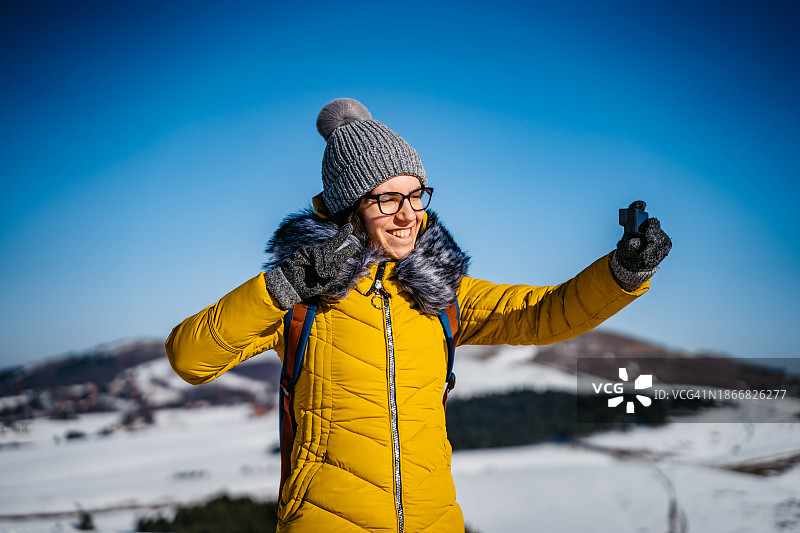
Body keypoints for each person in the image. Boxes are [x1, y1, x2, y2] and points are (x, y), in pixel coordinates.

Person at [165, 98, 671, 533]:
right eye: (387, 198)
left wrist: (620, 274)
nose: (408, 214)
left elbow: (542, 314)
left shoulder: (440, 294)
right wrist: (282, 285)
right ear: (349, 207)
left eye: (415, 194)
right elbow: (191, 357)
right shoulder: (301, 299)